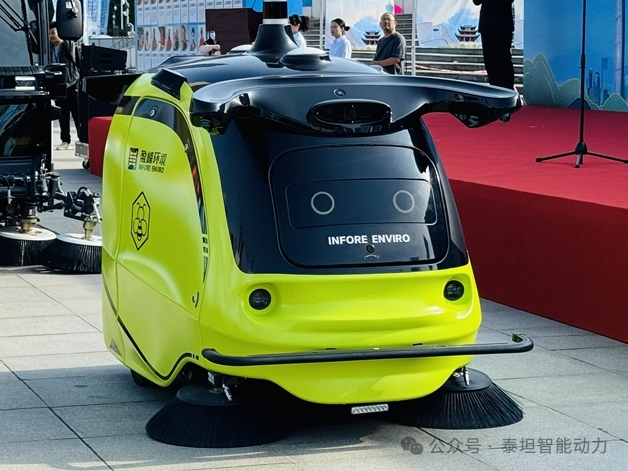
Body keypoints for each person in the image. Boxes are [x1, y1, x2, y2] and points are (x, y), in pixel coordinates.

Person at [49, 21, 80, 151]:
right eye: (49, 34)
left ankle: (83, 139)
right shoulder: (49, 49)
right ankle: (65, 140)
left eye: (53, 33)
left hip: (71, 84)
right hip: (58, 86)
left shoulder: (68, 45)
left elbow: (77, 63)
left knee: (77, 114)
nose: (51, 36)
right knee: (62, 115)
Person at [473, 0, 515, 90]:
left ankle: (506, 92)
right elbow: (476, 1)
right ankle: (494, 92)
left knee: (503, 62)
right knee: (490, 64)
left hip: (501, 25)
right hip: (486, 25)